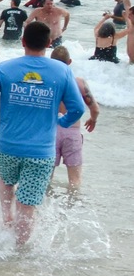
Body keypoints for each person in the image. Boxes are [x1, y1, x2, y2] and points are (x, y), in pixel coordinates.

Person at [0, 21, 85, 244]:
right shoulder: (62, 70)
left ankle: (7, 219)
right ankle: (21, 249)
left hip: (7, 146)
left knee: (7, 181)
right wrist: (60, 123)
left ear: (23, 41)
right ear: (49, 43)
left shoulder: (6, 68)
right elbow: (78, 108)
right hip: (40, 151)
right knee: (28, 203)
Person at [49, 45, 97, 188]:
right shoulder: (79, 83)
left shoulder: (46, 82)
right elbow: (95, 109)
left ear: (51, 61)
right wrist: (93, 119)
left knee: (46, 178)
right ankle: (72, 208)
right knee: (75, 181)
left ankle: (44, 208)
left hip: (51, 132)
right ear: (69, 61)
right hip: (72, 133)